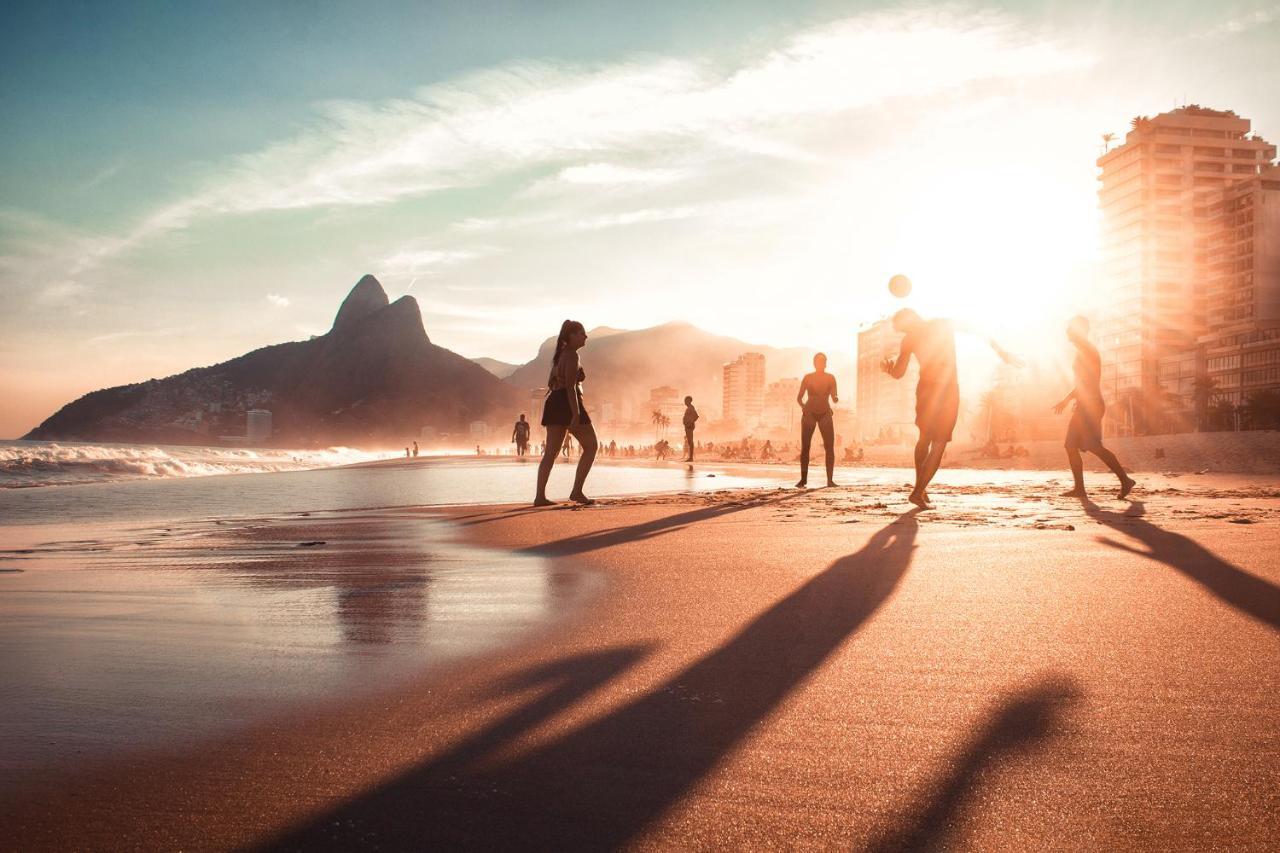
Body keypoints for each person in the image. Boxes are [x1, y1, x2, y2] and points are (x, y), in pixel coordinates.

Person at [882, 308, 1020, 509]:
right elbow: (977, 329)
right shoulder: (940, 324)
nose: (902, 332)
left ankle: (920, 488)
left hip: (927, 391)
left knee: (924, 438)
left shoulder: (912, 338)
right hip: (946, 391)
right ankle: (918, 492)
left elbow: (898, 373)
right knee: (938, 444)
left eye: (901, 327)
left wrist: (888, 369)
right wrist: (1002, 352)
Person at [1053, 315, 1136, 499]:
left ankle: (1125, 480)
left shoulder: (1087, 351)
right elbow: (1082, 383)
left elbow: (1088, 382)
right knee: (1070, 445)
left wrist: (1068, 400)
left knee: (1093, 446)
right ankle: (1080, 489)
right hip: (1085, 405)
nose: (1067, 331)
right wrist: (1070, 400)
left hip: (1090, 406)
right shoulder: (1082, 350)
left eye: (1070, 328)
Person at [534, 320, 598, 506]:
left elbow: (552, 383)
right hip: (568, 403)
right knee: (592, 446)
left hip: (555, 402)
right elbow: (570, 387)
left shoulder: (560, 355)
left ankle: (539, 496)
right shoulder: (571, 355)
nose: (585, 336)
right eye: (581, 333)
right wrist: (576, 414)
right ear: (571, 336)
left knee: (551, 453)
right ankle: (577, 491)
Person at [795, 352, 839, 488]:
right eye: (819, 361)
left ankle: (830, 480)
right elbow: (799, 398)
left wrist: (835, 398)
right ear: (814, 363)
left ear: (826, 363)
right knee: (805, 447)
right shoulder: (808, 378)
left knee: (829, 447)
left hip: (825, 413)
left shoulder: (831, 378)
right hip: (809, 413)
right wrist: (804, 408)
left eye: (824, 361)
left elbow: (834, 395)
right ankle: (803, 479)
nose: (822, 364)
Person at [682, 396, 699, 462]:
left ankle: (691, 457)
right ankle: (690, 457)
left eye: (685, 401)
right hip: (687, 427)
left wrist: (690, 423)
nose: (685, 402)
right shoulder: (689, 408)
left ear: (689, 401)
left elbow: (696, 416)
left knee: (690, 441)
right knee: (689, 442)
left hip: (689, 427)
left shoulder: (691, 408)